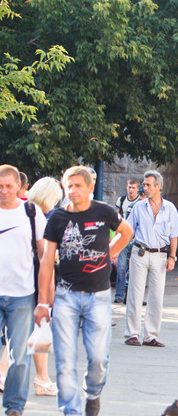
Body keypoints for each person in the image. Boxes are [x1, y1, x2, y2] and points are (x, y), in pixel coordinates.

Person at [36, 165, 134, 416]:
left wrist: (110, 253)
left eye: (78, 186)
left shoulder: (104, 211)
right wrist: (43, 302)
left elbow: (127, 232)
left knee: (98, 359)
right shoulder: (57, 218)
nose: (73, 191)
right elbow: (47, 260)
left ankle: (92, 393)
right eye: (68, 186)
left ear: (90, 188)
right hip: (65, 296)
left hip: (98, 296)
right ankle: (71, 411)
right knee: (65, 361)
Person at [0, 165, 46, 416]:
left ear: (19, 186)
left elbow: (44, 255)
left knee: (19, 356)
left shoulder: (31, 212)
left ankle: (14, 407)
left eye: (9, 186)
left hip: (22, 294)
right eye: (0, 187)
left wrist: (44, 298)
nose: (4, 191)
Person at [124, 170, 178, 348]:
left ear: (159, 187)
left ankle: (150, 335)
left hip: (160, 255)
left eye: (149, 185)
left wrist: (172, 256)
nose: (145, 188)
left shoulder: (170, 208)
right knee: (135, 294)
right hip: (140, 253)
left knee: (156, 296)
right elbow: (128, 231)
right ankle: (132, 334)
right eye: (144, 184)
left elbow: (174, 234)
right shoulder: (138, 207)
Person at [25, 177, 63, 398]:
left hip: (25, 277)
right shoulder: (42, 217)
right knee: (33, 329)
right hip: (37, 278)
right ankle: (40, 378)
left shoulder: (24, 210)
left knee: (34, 331)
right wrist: (48, 294)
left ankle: (43, 378)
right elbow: (45, 257)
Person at [113, 178, 141, 303]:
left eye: (133, 188)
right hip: (123, 236)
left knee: (135, 268)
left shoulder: (140, 202)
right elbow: (116, 218)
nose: (131, 190)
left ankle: (132, 295)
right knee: (121, 266)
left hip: (136, 238)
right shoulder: (122, 200)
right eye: (129, 187)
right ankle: (119, 295)